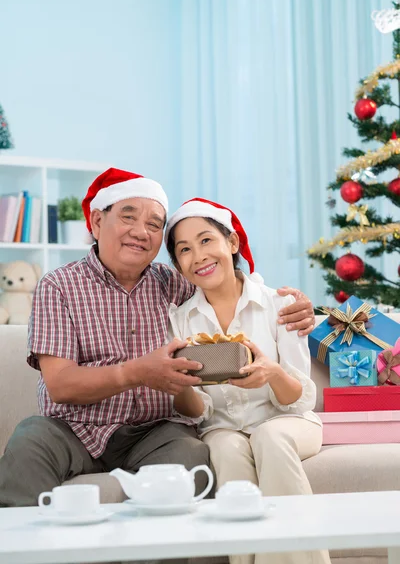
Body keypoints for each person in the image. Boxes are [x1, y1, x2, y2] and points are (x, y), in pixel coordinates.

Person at [0, 168, 315, 509]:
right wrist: (135, 372)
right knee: (28, 443)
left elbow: (226, 281)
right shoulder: (58, 286)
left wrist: (302, 309)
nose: (141, 232)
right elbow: (60, 384)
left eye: (154, 224)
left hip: (156, 431)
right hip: (72, 428)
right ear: (95, 222)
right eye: (128, 217)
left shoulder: (174, 283)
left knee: (191, 453)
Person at [166, 198, 329, 564]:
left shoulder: (278, 305)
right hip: (222, 427)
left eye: (207, 240)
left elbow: (302, 398)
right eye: (185, 250)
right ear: (178, 265)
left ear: (233, 243)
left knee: (268, 437)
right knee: (225, 449)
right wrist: (180, 387)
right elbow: (198, 412)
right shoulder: (179, 321)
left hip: (288, 421)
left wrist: (272, 373)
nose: (199, 256)